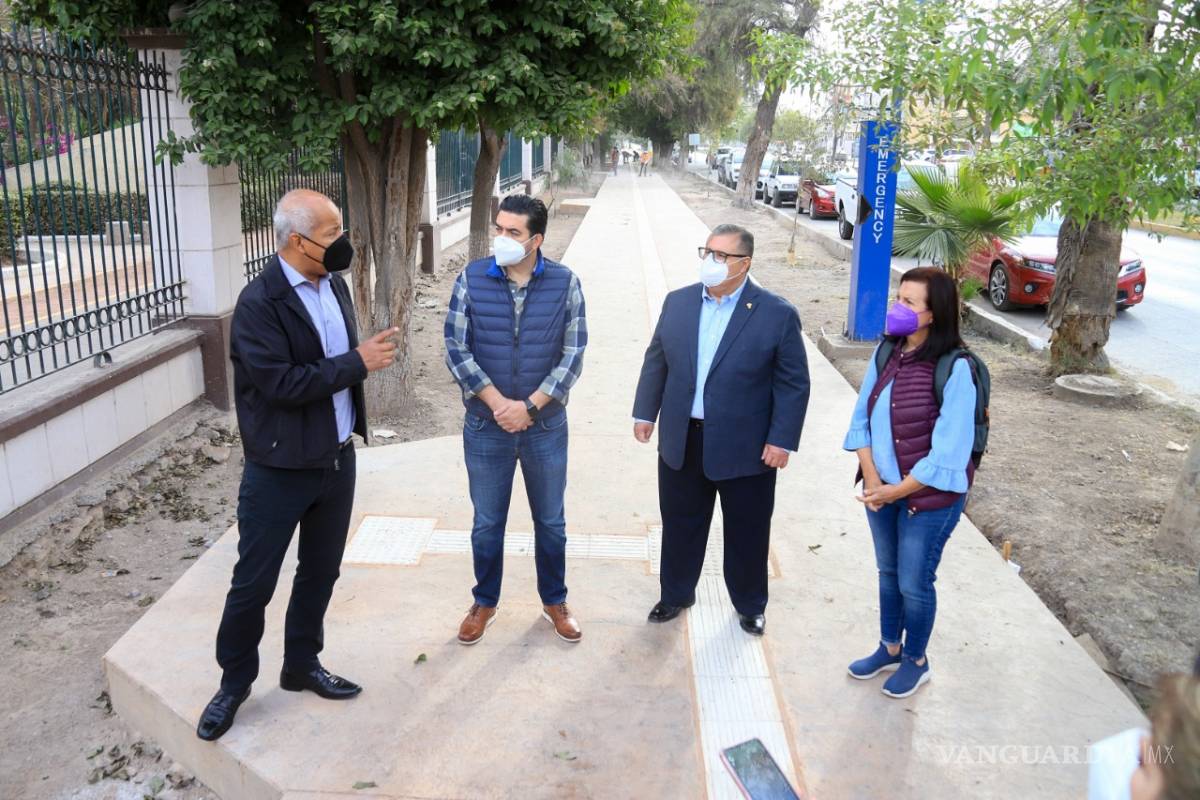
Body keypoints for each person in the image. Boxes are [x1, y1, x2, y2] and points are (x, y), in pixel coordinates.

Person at [197, 189, 398, 742]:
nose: (342, 243)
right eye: (331, 234)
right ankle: (234, 683)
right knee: (253, 583)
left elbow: (332, 366)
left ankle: (301, 664)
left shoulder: (334, 285)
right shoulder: (259, 305)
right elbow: (283, 384)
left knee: (321, 571)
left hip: (336, 459)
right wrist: (357, 362)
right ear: (294, 241)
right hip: (280, 469)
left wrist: (355, 363)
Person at [632, 224, 810, 636]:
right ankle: (675, 593)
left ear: (744, 263)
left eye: (721, 256)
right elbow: (656, 359)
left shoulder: (776, 314)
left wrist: (781, 439)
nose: (710, 262)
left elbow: (793, 383)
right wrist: (645, 412)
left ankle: (750, 604)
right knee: (680, 523)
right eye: (706, 252)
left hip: (746, 447)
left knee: (747, 530)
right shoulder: (678, 303)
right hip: (682, 439)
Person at [444, 194, 588, 646]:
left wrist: (528, 407)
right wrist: (497, 403)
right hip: (486, 427)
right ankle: (484, 601)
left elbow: (573, 353)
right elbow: (455, 347)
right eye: (499, 229)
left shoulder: (565, 283)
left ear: (536, 240)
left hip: (545, 426)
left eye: (513, 232)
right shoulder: (471, 278)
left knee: (551, 522)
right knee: (487, 522)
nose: (501, 239)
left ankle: (554, 600)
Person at [843, 266, 977, 699]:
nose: (897, 308)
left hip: (928, 501)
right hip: (883, 490)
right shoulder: (887, 352)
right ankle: (889, 647)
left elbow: (949, 454)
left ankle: (916, 661)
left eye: (908, 303)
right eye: (897, 298)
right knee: (888, 573)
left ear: (933, 313)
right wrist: (873, 478)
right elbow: (861, 416)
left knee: (914, 583)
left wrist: (894, 491)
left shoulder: (956, 369)